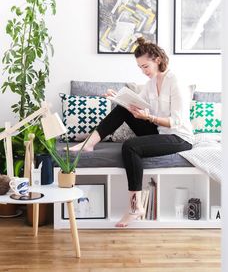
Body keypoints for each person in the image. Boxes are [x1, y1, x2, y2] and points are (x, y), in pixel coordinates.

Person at [69, 37, 193, 227]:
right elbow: (134, 104)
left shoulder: (175, 82)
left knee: (130, 147)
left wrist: (149, 118)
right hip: (159, 132)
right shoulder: (151, 83)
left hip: (178, 136)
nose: (143, 71)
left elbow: (176, 121)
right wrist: (117, 98)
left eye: (145, 66)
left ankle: (135, 207)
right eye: (140, 67)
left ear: (157, 60)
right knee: (122, 109)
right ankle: (90, 144)